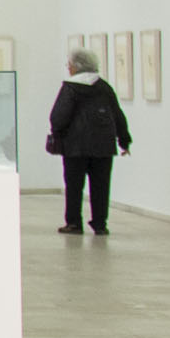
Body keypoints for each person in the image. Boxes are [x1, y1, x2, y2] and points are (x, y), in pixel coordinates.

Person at [48, 50, 131, 234]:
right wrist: (124, 139)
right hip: (103, 145)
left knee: (74, 186)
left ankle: (74, 223)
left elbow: (59, 116)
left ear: (76, 66)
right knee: (101, 185)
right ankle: (100, 224)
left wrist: (57, 133)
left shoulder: (70, 88)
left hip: (75, 146)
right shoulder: (104, 87)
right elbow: (117, 114)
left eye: (69, 64)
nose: (68, 67)